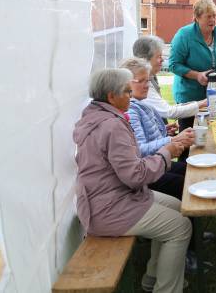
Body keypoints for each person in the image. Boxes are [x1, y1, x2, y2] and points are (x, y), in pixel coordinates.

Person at [73, 68, 191, 293]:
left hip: (108, 197)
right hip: (108, 208)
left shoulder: (96, 116)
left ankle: (152, 277)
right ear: (110, 96)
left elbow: (126, 162)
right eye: (127, 92)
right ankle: (166, 289)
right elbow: (135, 176)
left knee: (178, 207)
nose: (131, 95)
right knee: (181, 227)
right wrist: (166, 153)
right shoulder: (112, 125)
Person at [120, 57, 195, 200]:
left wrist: (164, 131)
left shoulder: (140, 103)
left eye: (147, 80)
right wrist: (172, 139)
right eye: (140, 81)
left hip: (154, 163)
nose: (146, 85)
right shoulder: (130, 110)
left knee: (190, 172)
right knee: (186, 183)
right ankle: (187, 218)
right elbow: (140, 150)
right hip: (146, 170)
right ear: (125, 84)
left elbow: (143, 136)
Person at [168, 0, 216, 133]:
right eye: (208, 16)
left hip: (215, 94)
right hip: (189, 97)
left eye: (214, 16)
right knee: (188, 138)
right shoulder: (184, 35)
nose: (213, 20)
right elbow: (174, 64)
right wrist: (197, 75)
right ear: (197, 18)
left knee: (214, 134)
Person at [133, 35, 208, 122]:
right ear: (146, 59)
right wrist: (203, 103)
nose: (162, 60)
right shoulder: (142, 84)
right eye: (159, 56)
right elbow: (168, 112)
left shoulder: (150, 77)